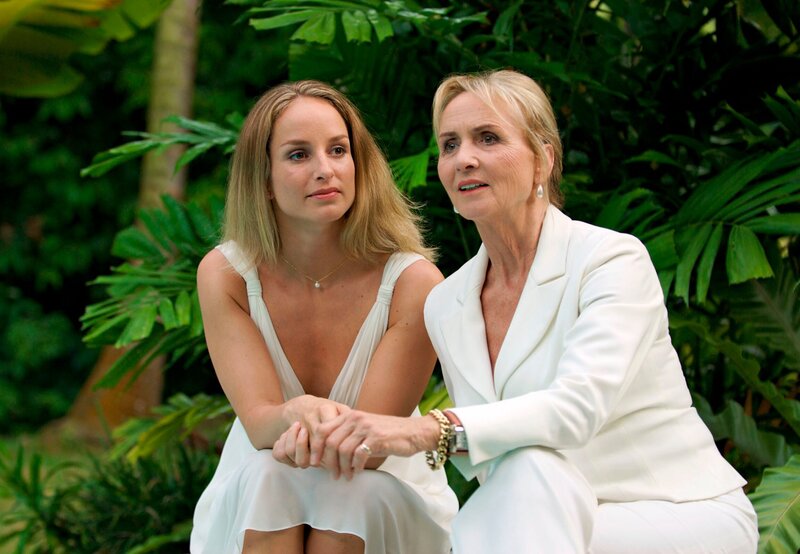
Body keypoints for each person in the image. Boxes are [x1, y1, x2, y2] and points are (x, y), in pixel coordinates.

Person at [291, 70, 759, 553]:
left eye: (488, 138)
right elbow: (489, 465)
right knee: (513, 478)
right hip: (535, 521)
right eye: (449, 145)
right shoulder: (446, 303)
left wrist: (429, 429)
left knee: (529, 471)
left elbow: (576, 410)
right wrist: (313, 435)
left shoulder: (610, 260)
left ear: (543, 160)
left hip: (672, 512)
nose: (463, 158)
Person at [190, 80, 458, 554]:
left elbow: (367, 450)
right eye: (299, 155)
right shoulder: (226, 275)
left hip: (382, 490)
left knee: (351, 492)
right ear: (263, 179)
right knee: (269, 475)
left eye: (338, 150)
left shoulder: (413, 284)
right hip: (264, 481)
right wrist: (291, 414)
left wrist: (296, 426)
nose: (325, 170)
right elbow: (259, 425)